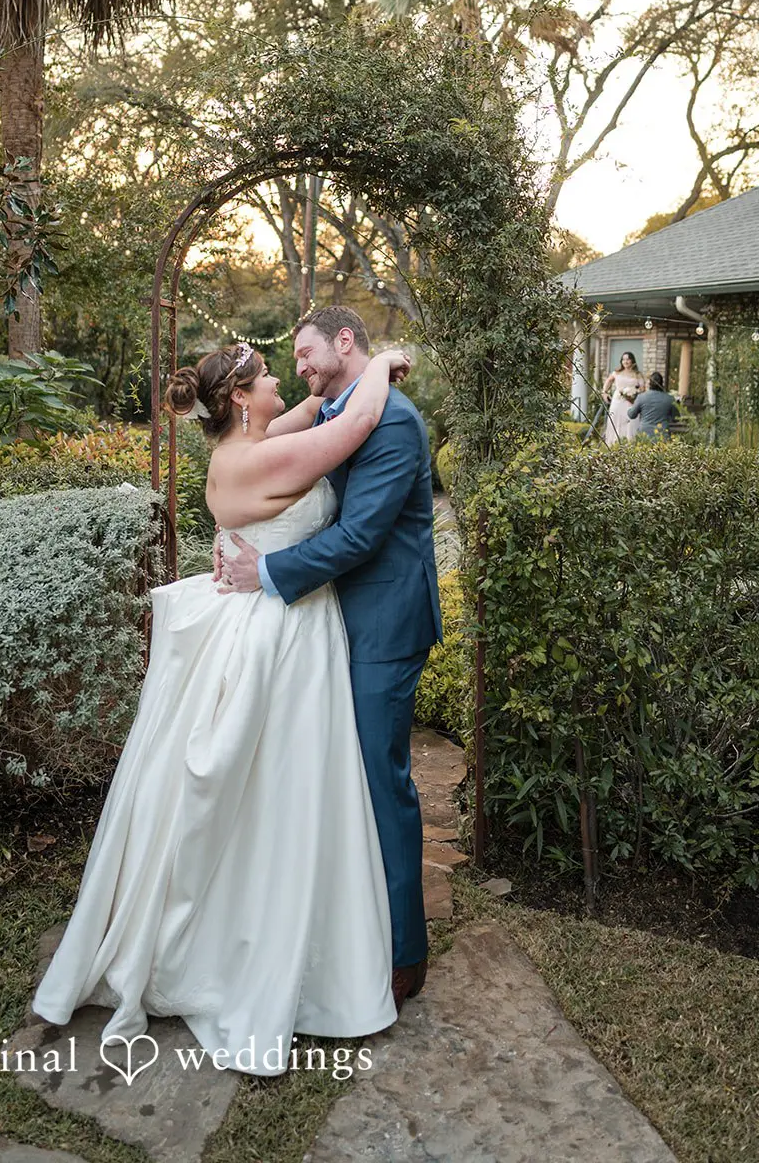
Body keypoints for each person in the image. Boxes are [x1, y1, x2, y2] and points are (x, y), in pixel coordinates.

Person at [32, 334, 416, 1076]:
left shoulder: (255, 443)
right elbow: (355, 422)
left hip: (283, 621)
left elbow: (313, 407)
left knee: (278, 787)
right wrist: (381, 360)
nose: (282, 382)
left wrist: (352, 377)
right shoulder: (260, 458)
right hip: (281, 636)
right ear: (241, 398)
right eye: (266, 374)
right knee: (282, 790)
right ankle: (257, 949)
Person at [220, 306, 443, 1013]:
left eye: (308, 351)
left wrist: (269, 572)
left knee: (382, 782)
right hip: (337, 619)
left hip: (383, 621)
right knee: (339, 780)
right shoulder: (337, 411)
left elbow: (358, 536)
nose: (302, 367)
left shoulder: (395, 422)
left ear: (345, 341)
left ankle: (403, 951)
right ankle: (347, 926)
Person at [601, 350, 645, 444]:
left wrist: (634, 393)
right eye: (623, 359)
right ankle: (613, 443)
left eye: (628, 359)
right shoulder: (617, 372)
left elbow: (642, 388)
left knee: (630, 421)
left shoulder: (637, 374)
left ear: (632, 361)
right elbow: (608, 381)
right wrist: (604, 392)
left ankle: (629, 443)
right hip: (617, 400)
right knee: (615, 420)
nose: (625, 361)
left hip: (631, 401)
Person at [627, 370, 680, 439]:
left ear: (649, 383)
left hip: (644, 436)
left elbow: (631, 415)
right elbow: (676, 419)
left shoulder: (641, 397)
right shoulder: (670, 399)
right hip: (662, 435)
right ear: (662, 383)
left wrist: (629, 406)